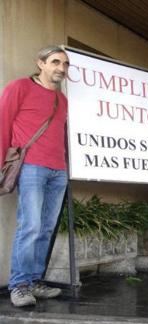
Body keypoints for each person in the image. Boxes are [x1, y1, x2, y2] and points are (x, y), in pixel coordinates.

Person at [0, 46, 70, 307]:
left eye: (65, 64)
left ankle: (34, 281)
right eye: (55, 62)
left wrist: (65, 167)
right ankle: (18, 286)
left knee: (46, 228)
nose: (61, 68)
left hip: (58, 170)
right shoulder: (20, 87)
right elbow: (3, 124)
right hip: (31, 167)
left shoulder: (62, 100)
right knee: (30, 226)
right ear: (40, 63)